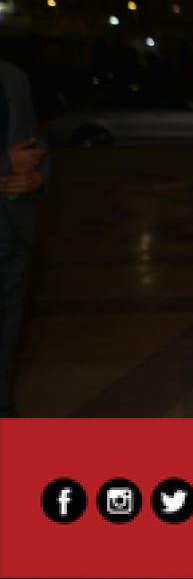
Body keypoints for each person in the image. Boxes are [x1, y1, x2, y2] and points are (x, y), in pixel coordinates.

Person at [0, 60, 50, 417]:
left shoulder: (12, 76)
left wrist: (38, 176)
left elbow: (34, 139)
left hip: (13, 231)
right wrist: (5, 165)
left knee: (7, 335)